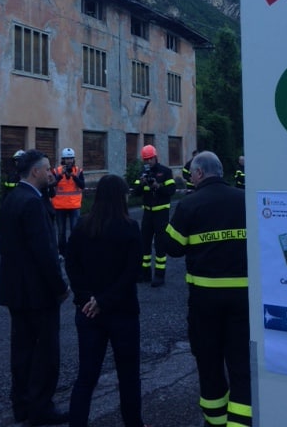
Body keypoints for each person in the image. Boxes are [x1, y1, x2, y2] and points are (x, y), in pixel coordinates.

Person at [164, 151, 252, 427]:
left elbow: (172, 247)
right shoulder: (244, 199)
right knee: (241, 364)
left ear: (199, 173)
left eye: (192, 174)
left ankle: (215, 422)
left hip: (205, 301)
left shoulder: (190, 204)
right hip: (244, 298)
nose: (191, 178)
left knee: (209, 363)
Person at [65, 174, 150, 427]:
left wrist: (86, 299)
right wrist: (105, 300)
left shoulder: (82, 226)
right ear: (120, 197)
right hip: (122, 311)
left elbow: (72, 266)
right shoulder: (129, 228)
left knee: (86, 377)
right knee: (128, 375)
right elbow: (132, 272)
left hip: (88, 312)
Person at [0, 149, 70, 426]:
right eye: (48, 168)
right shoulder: (32, 203)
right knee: (45, 353)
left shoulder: (12, 198)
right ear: (36, 171)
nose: (51, 173)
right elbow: (44, 252)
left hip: (16, 291)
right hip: (38, 294)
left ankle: (22, 405)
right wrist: (60, 287)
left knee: (22, 350)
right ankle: (41, 408)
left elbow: (5, 246)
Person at [132, 144, 176, 287]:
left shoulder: (165, 171)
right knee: (144, 243)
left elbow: (171, 190)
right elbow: (135, 192)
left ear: (155, 157)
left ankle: (159, 275)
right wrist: (141, 183)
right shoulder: (143, 173)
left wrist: (158, 186)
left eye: (150, 159)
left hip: (161, 213)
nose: (148, 162)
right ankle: (145, 273)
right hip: (147, 213)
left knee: (160, 244)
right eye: (146, 159)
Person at [52, 147, 85, 257]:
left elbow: (82, 185)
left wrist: (73, 176)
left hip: (74, 206)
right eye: (67, 159)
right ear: (63, 159)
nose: (69, 161)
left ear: (73, 159)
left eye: (71, 158)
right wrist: (61, 175)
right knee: (61, 232)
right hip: (59, 206)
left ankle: (74, 251)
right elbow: (52, 184)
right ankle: (62, 252)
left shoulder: (78, 171)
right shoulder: (57, 171)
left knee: (74, 230)